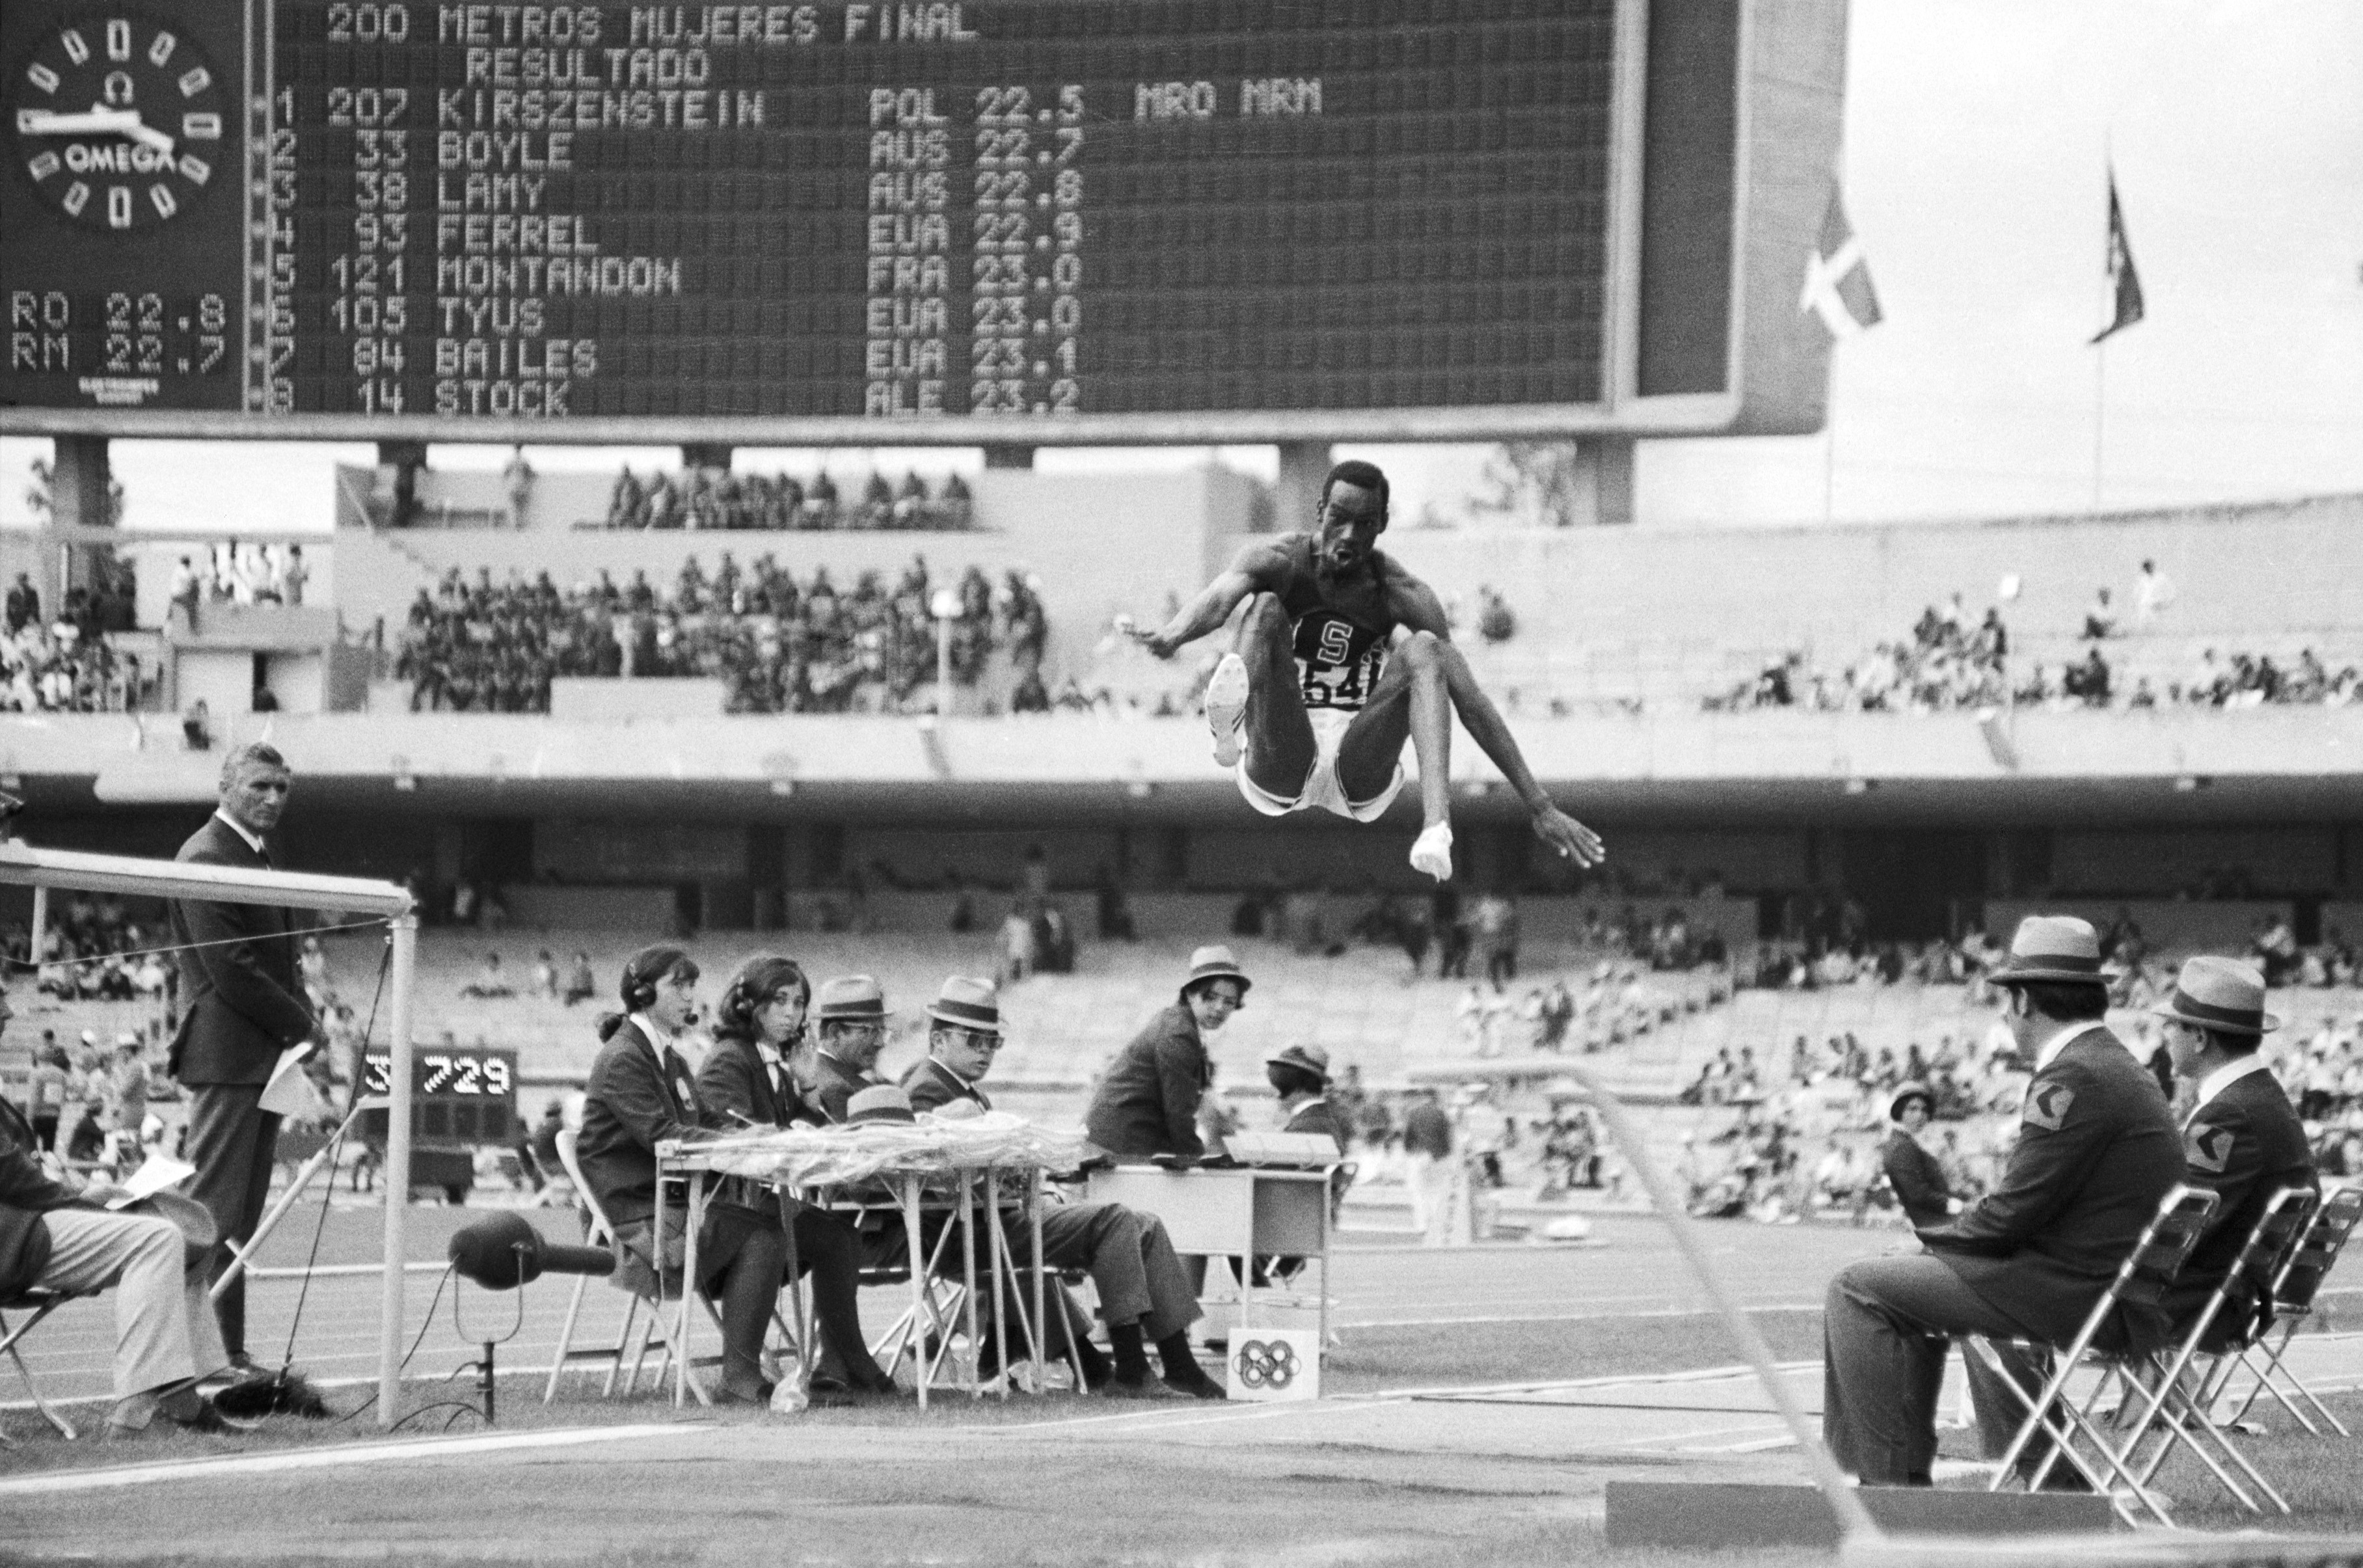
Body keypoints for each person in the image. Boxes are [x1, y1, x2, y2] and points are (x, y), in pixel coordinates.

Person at [1820, 916, 2185, 1489]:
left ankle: (1886, 1484)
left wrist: (1931, 1239)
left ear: (2021, 1000)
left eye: (2006, 1002)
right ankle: (1914, 1473)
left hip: (2073, 1291)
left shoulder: (2074, 1076)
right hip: (2109, 1285)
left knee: (1856, 1288)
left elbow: (2014, 1212)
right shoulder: (2114, 1065)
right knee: (1907, 1284)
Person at [1124, 459, 1605, 885]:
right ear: (1320, 512)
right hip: (1283, 745)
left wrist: (1538, 803)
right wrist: (1172, 635)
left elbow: (1469, 702)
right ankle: (1226, 726)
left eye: (1365, 524)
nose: (1350, 536)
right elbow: (1219, 600)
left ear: (1383, 525)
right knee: (1266, 607)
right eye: (1340, 520)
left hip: (1359, 755)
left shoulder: (1400, 591)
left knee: (1425, 650)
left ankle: (1437, 828)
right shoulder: (1279, 560)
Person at [901, 977, 1222, 1399]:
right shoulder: (928, 1085)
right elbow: (933, 1172)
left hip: (995, 1218)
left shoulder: (964, 1089)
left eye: (992, 1042)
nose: (985, 1051)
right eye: (974, 1039)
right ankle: (1130, 1367)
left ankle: (1178, 1363)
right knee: (1115, 1219)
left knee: (1144, 1224)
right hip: (965, 1228)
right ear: (938, 1039)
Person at [0, 988, 251, 1436]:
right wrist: (80, 1197)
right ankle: (134, 1413)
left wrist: (80, 1193)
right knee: (157, 1239)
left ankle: (185, 1399)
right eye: (0, 1004)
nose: (7, 1015)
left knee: (183, 1232)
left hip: (25, 1222)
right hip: (14, 1234)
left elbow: (20, 1174)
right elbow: (15, 1180)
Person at [575, 945, 783, 1405]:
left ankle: (744, 1372)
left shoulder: (670, 1059)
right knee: (763, 1229)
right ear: (644, 993)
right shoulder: (625, 1057)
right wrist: (733, 1144)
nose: (690, 996)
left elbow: (707, 1124)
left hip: (665, 1207)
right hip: (634, 1227)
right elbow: (660, 1134)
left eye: (692, 985)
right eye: (678, 985)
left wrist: (751, 1134)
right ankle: (741, 1375)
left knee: (768, 1224)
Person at [168, 743, 316, 1375]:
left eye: (282, 789)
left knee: (240, 1222)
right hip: (228, 1056)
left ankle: (225, 1353)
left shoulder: (253, 853)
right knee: (209, 1211)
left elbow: (281, 960)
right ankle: (176, 1356)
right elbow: (232, 968)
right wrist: (302, 1021)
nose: (273, 799)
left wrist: (301, 1025)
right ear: (225, 783)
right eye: (260, 785)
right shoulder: (205, 855)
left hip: (263, 1056)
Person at [696, 954, 902, 1402]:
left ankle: (846, 1363)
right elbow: (730, 1141)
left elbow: (813, 1132)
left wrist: (808, 1087)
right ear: (750, 1005)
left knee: (839, 1236)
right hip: (718, 1210)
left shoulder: (777, 1063)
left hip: (757, 1205)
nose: (793, 1012)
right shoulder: (729, 1060)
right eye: (781, 1000)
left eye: (799, 1002)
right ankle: (740, 1373)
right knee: (772, 1233)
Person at [2152, 956, 2316, 1344]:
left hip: (2198, 1305)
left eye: (2171, 1025)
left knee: (2011, 1295)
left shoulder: (2227, 1114)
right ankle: (2150, 1407)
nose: (2165, 1037)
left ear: (2199, 1038)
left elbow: (2182, 1226)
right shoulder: (2261, 1098)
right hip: (2226, 1295)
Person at [1084, 946, 1247, 1162]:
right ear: (1190, 994)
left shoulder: (1179, 1024)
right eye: (1210, 997)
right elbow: (1179, 1112)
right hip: (1120, 1145)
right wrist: (1197, 1160)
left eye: (1229, 1001)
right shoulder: (1178, 1033)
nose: (1220, 1008)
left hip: (1122, 1141)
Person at [808, 975, 894, 1120]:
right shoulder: (836, 1090)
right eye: (868, 1031)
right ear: (835, 1033)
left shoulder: (823, 1071)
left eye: (881, 1031)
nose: (880, 1043)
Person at [1878, 1083, 1961, 1231]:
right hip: (1938, 1224)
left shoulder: (1908, 1142)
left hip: (1939, 1218)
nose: (1920, 1116)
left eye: (1924, 1110)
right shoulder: (1902, 1146)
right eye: (1912, 1109)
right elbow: (1919, 1194)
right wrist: (1956, 1205)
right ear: (1899, 1111)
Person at [1268, 1044, 1348, 1156]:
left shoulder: (1304, 1127)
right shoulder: (1324, 1117)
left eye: (1279, 1085)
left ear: (1293, 1085)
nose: (1276, 1095)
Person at [1401, 1087, 1457, 1245]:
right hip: (1440, 1157)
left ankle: (1422, 1225)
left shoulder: (1414, 1113)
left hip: (1421, 1155)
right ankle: (1435, 1222)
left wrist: (1408, 1151)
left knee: (1420, 1193)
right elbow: (1448, 1138)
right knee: (1437, 1192)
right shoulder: (1442, 1114)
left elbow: (1408, 1137)